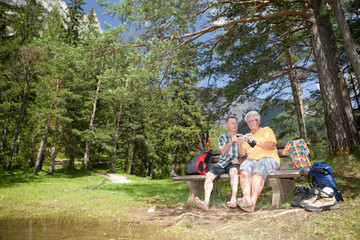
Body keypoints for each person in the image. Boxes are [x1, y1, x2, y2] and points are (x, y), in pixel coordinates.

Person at [195, 116, 243, 211]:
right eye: (232, 123)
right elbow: (222, 152)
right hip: (222, 163)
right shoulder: (222, 137)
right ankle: (206, 202)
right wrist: (232, 141)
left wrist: (239, 160)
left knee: (234, 172)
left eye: (236, 123)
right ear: (227, 125)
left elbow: (245, 154)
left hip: (234, 163)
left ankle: (233, 200)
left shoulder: (242, 137)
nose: (235, 125)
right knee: (209, 175)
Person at [236, 111, 280, 213]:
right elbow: (242, 154)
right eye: (248, 121)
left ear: (258, 121)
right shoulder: (247, 136)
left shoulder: (266, 130)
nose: (251, 123)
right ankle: (247, 198)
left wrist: (257, 142)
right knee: (244, 168)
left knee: (259, 168)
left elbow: (272, 145)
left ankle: (252, 204)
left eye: (253, 120)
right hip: (252, 160)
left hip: (268, 158)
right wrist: (239, 144)